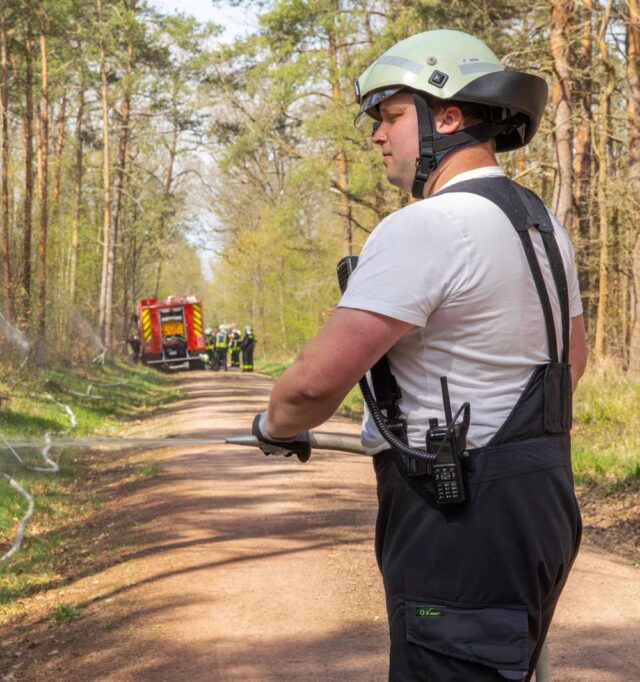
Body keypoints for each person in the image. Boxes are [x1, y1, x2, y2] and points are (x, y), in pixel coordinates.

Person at [250, 30, 585, 681]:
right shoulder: (541, 226)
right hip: (540, 506)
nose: (378, 135)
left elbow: (314, 387)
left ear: (449, 116)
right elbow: (571, 363)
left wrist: (274, 426)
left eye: (393, 115)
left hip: (461, 521)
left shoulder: (431, 225)